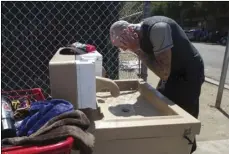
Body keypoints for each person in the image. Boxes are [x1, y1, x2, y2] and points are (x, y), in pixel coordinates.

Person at [109, 16, 205, 153]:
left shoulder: (158, 30)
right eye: (119, 47)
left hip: (189, 71)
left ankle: (187, 148)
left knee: (184, 114)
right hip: (172, 71)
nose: (123, 50)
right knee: (162, 102)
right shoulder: (139, 36)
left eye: (123, 43)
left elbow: (163, 73)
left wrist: (137, 49)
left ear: (131, 31)